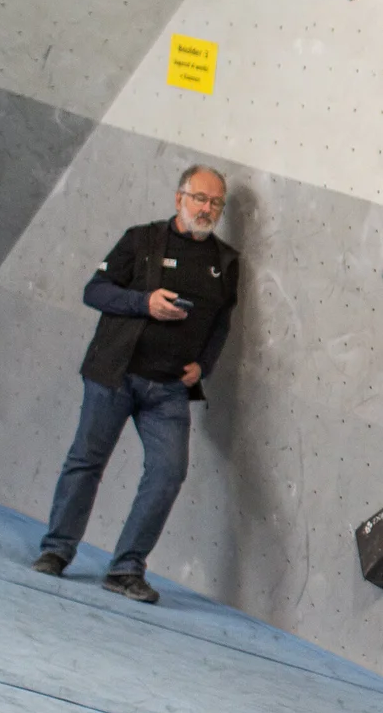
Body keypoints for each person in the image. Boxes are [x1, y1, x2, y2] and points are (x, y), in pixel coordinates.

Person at [31, 166, 241, 602]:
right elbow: (95, 291)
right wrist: (143, 302)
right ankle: (57, 550)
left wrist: (204, 366)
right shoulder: (141, 241)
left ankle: (126, 568)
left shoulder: (226, 262)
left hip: (167, 391)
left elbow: (221, 325)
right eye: (200, 198)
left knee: (168, 472)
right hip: (115, 374)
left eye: (216, 203)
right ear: (179, 197)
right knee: (87, 460)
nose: (207, 209)